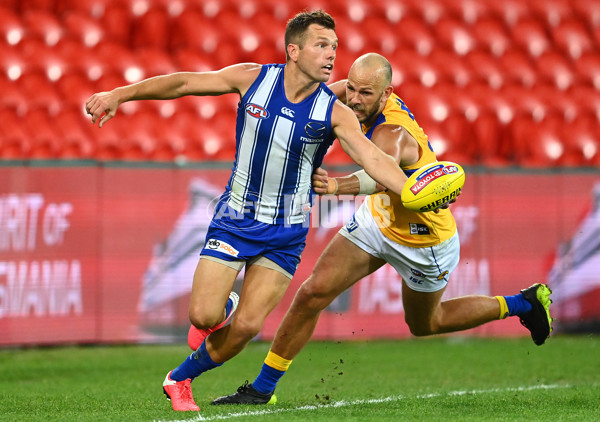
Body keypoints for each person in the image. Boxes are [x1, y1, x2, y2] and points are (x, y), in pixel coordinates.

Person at [86, 12, 414, 412]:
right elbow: (185, 82)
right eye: (321, 45)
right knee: (203, 314)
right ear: (293, 50)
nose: (331, 55)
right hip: (237, 219)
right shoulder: (254, 79)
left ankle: (180, 378)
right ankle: (222, 307)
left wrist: (413, 190)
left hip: (288, 233)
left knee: (247, 329)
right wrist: (121, 93)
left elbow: (373, 159)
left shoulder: (334, 111)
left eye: (334, 46)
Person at [210, 53, 554, 406]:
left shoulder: (393, 131)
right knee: (312, 294)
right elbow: (324, 96)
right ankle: (262, 389)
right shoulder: (355, 92)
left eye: (366, 94)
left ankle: (521, 304)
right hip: (379, 220)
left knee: (426, 324)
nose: (355, 99)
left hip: (425, 239)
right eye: (353, 89)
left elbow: (379, 169)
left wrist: (337, 187)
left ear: (387, 94)